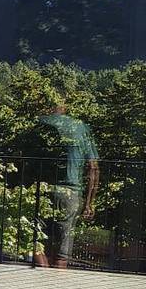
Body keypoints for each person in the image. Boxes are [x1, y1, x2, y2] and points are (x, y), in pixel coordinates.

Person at [40, 105, 99, 265]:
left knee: (36, 243)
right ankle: (57, 286)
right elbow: (93, 167)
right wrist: (89, 203)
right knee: (62, 252)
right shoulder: (80, 127)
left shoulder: (41, 124)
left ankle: (40, 280)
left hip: (40, 190)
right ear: (65, 106)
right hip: (70, 192)